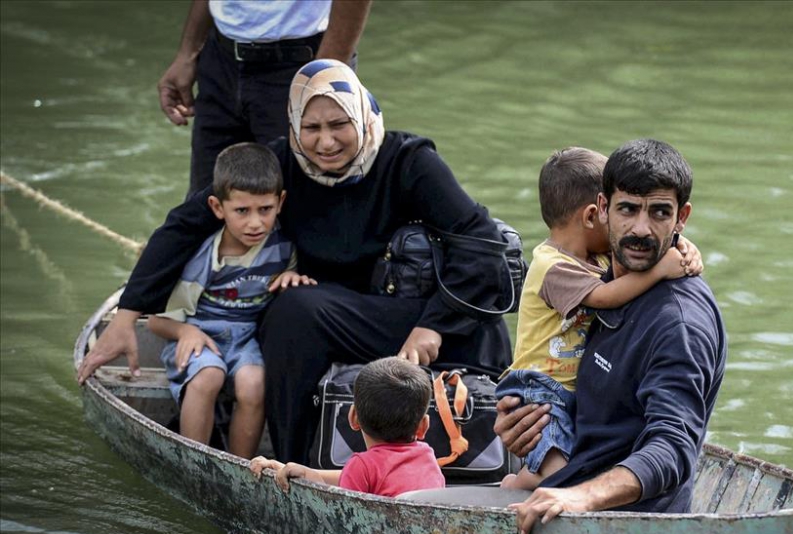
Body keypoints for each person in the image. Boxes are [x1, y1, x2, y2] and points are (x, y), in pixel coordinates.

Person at [78, 60, 514, 467]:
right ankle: (294, 465)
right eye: (312, 127)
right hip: (331, 317)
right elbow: (184, 226)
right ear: (293, 126)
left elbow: (481, 244)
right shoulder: (284, 162)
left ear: (362, 116)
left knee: (480, 328)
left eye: (339, 124)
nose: (326, 142)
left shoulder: (408, 162)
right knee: (289, 310)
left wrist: (433, 325)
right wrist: (128, 315)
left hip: (413, 317)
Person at [493, 139, 727, 534]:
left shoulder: (679, 323)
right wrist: (519, 427)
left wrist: (581, 497)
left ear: (681, 218)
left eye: (659, 213)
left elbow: (672, 448)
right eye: (627, 209)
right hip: (567, 486)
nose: (640, 229)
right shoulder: (598, 280)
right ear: (601, 210)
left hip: (627, 529)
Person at [147, 142, 315, 458]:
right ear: (217, 207)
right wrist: (186, 332)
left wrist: (292, 280)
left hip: (246, 338)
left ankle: (238, 468)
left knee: (255, 383)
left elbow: (290, 280)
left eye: (264, 209)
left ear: (280, 203)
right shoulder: (203, 256)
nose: (255, 223)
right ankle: (193, 461)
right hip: (199, 334)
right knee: (209, 375)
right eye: (242, 211)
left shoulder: (282, 248)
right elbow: (158, 321)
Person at [158, 0, 372, 195]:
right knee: (208, 203)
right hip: (220, 57)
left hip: (302, 62)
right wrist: (188, 52)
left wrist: (323, 75)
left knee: (306, 209)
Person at [248, 357, 445, 497]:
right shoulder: (427, 456)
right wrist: (305, 473)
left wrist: (311, 483)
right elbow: (359, 477)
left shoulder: (362, 465)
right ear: (423, 426)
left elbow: (341, 512)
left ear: (353, 418)